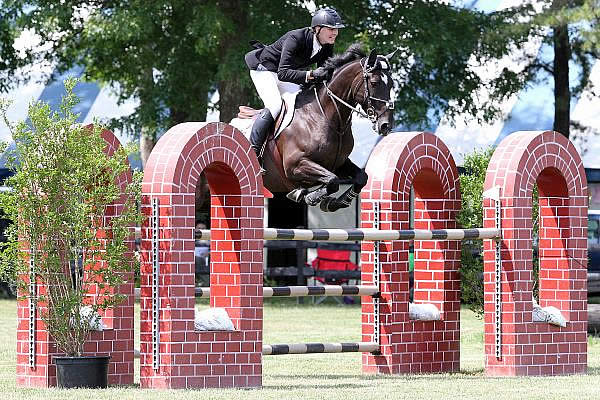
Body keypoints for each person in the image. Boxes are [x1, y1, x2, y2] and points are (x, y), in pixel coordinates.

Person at [244, 7, 345, 168]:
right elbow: (283, 73)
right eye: (331, 29)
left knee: (301, 102)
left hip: (284, 74)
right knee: (275, 105)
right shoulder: (296, 38)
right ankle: (252, 155)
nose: (335, 33)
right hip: (264, 70)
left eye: (337, 29)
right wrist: (310, 75)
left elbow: (325, 75)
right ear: (317, 29)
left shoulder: (326, 45)